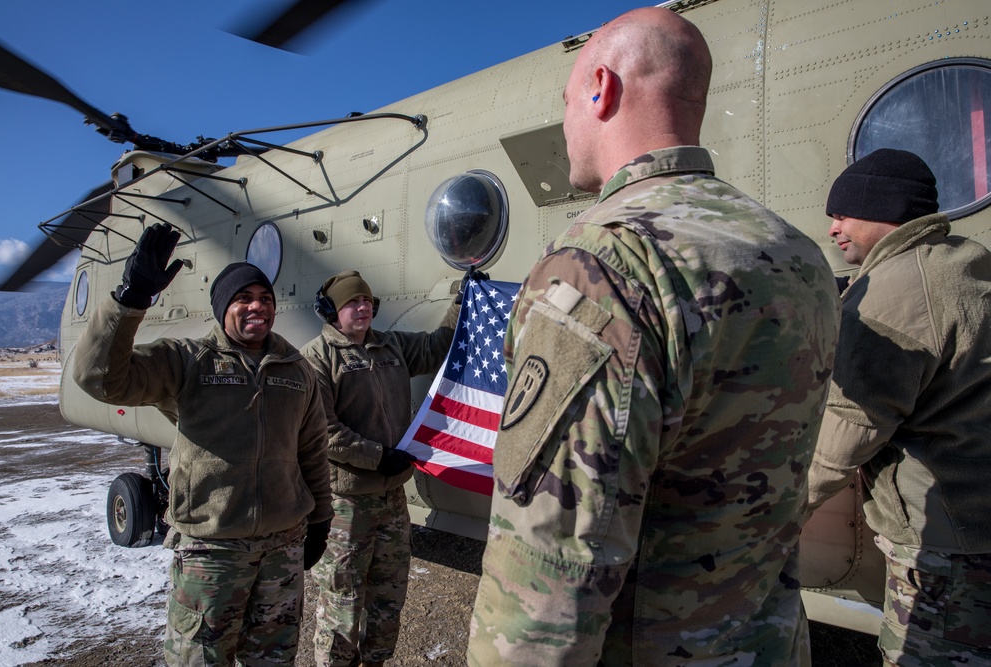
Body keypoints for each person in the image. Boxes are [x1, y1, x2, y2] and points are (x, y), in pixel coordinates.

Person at [467, 7, 841, 666]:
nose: (564, 125)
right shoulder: (798, 255)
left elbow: (548, 577)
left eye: (566, 101)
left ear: (601, 89)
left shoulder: (604, 264)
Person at [72, 222, 334, 666]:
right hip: (211, 554)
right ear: (221, 308)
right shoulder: (187, 360)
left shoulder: (296, 369)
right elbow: (99, 378)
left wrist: (321, 520)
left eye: (266, 299)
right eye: (243, 299)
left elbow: (311, 451)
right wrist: (130, 300)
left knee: (273, 659)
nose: (258, 307)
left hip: (281, 550)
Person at [808, 148, 991, 666]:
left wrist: (772, 517)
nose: (834, 230)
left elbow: (846, 434)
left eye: (842, 215)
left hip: (944, 552)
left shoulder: (893, 290)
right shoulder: (964, 261)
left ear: (882, 208)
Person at [301, 269, 461, 667]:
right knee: (342, 603)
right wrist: (377, 456)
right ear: (332, 311)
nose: (362, 307)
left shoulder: (390, 346)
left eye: (367, 301)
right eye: (352, 302)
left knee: (389, 598)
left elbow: (436, 346)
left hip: (391, 500)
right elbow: (323, 429)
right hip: (346, 505)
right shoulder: (317, 357)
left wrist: (462, 301)